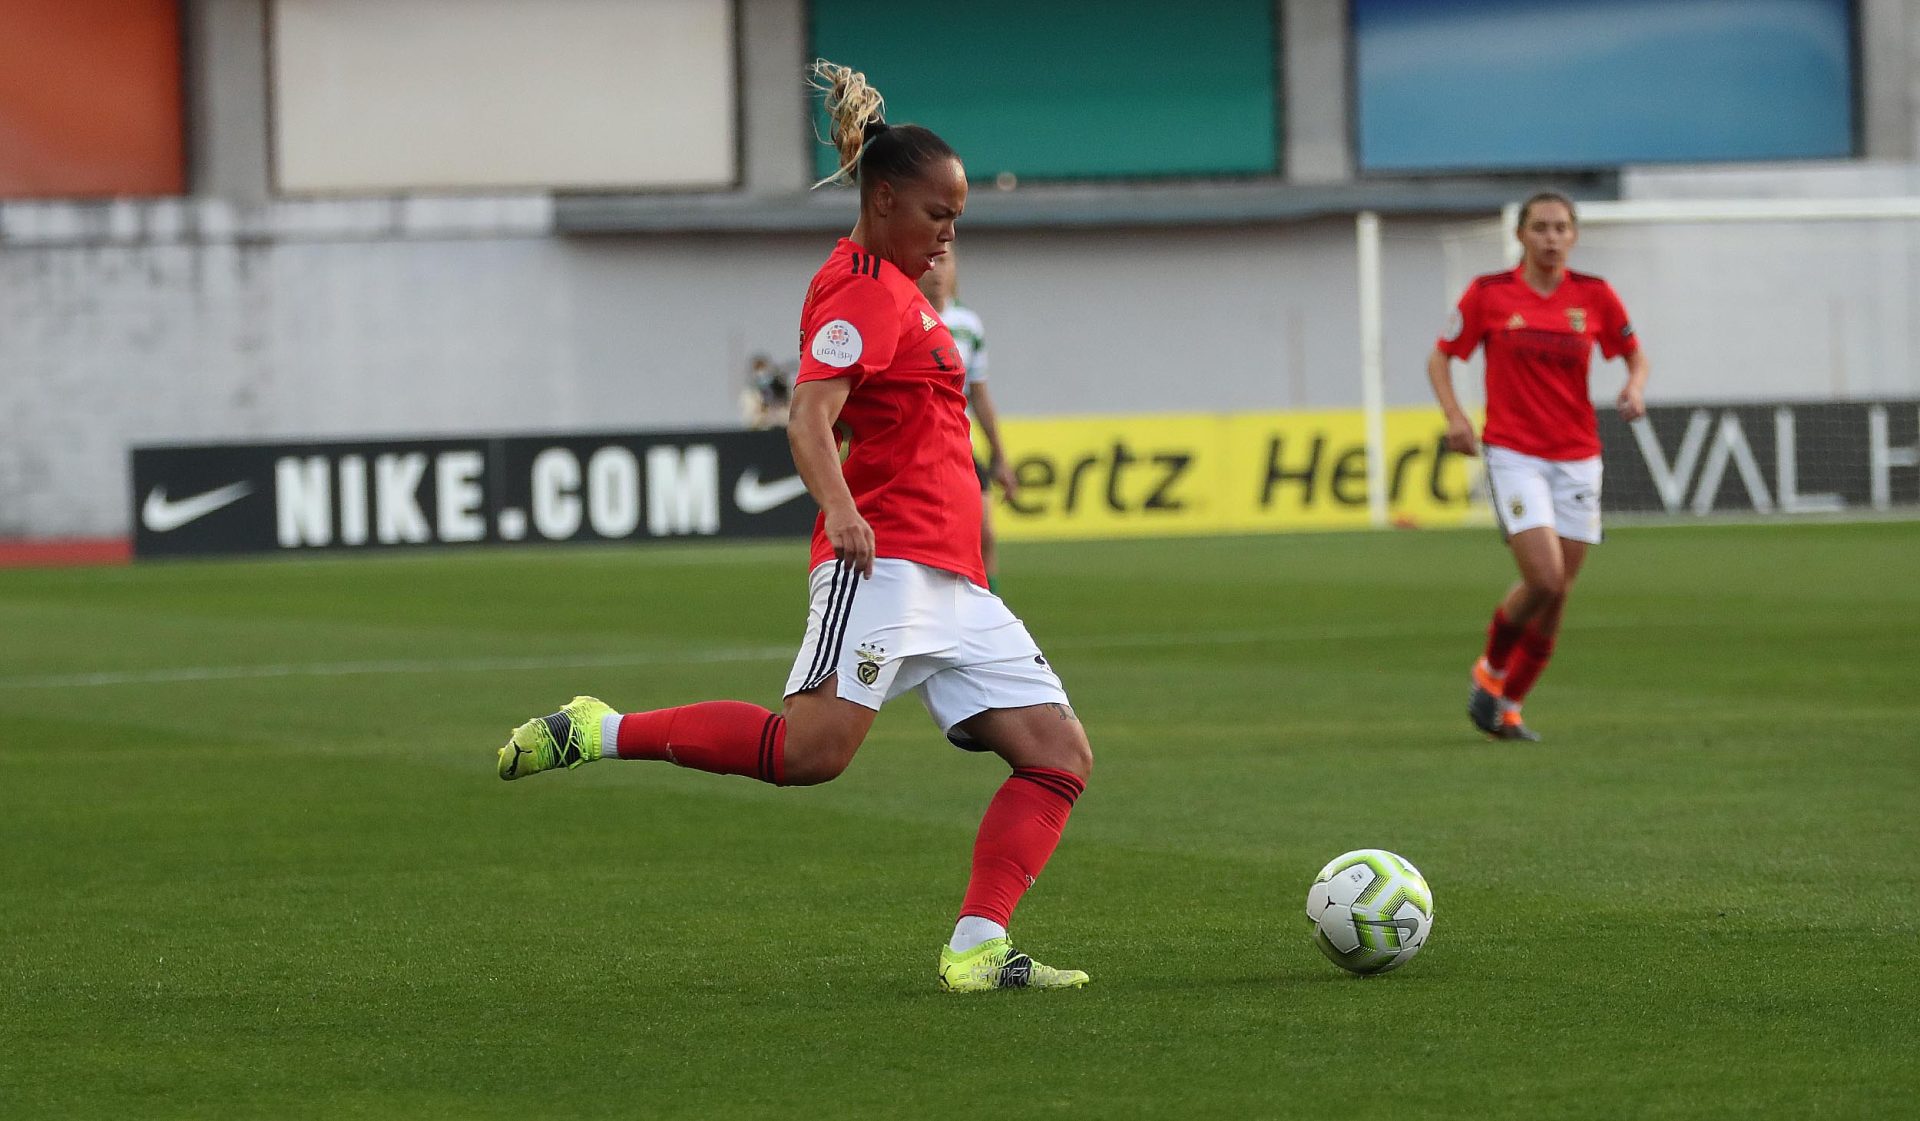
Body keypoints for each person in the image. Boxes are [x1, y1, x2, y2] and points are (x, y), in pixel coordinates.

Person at [494, 60, 1094, 993]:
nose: (948, 233)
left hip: (956, 578)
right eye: (938, 213)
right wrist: (843, 511)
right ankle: (600, 728)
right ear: (885, 198)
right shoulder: (856, 291)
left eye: (958, 217)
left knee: (1058, 756)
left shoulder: (902, 290)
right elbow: (810, 417)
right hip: (884, 561)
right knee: (809, 754)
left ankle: (978, 945)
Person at [1426, 191, 1649, 742]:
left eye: (1562, 229)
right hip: (1514, 453)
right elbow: (1442, 356)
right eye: (1541, 228)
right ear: (1521, 236)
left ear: (1573, 236)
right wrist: (1455, 417)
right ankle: (1491, 672)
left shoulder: (1594, 296)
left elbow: (1634, 352)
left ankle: (1510, 706)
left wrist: (1634, 385)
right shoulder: (1490, 294)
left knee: (1559, 593)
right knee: (1544, 577)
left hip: (1577, 457)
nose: (1552, 238)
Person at [915, 249, 1018, 591]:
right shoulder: (905, 316)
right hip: (917, 452)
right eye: (930, 263)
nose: (937, 272)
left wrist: (1000, 456)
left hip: (960, 446)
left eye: (944, 261)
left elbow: (980, 394)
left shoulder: (968, 325)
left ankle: (991, 615)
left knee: (985, 533)